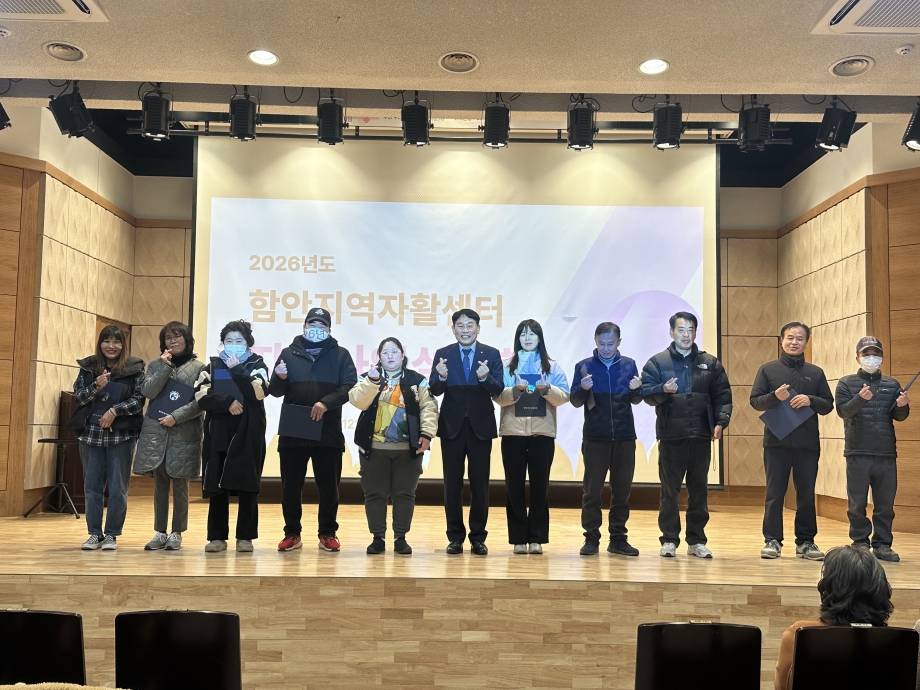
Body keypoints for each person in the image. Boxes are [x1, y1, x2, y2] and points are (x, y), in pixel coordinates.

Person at [641, 311, 732, 559]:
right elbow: (646, 394)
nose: (686, 335)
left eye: (691, 330)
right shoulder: (657, 362)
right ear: (671, 332)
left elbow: (723, 395)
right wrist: (662, 389)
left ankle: (697, 540)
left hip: (701, 436)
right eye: (681, 330)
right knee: (669, 492)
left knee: (699, 491)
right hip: (671, 436)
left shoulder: (710, 363)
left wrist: (721, 421)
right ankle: (669, 539)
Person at [270, 308, 357, 552]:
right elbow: (275, 391)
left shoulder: (341, 355)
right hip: (294, 428)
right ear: (304, 326)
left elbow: (349, 386)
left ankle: (327, 533)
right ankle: (292, 533)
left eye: (322, 325)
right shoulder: (288, 353)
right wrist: (279, 378)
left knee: (329, 487)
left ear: (329, 329)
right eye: (312, 324)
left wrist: (326, 403)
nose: (316, 329)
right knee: (290, 487)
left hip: (327, 429)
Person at [750, 322, 834, 561]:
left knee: (806, 495)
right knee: (774, 493)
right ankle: (772, 540)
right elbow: (755, 401)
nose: (794, 342)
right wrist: (774, 396)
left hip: (807, 444)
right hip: (776, 442)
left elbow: (828, 405)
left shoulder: (815, 372)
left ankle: (806, 542)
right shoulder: (768, 370)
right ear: (781, 341)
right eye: (790, 337)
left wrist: (810, 400)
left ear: (806, 342)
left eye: (799, 338)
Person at [349, 337, 439, 555]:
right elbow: (357, 401)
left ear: (402, 355)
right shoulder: (368, 377)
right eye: (385, 352)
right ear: (379, 357)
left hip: (408, 449)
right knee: (374, 494)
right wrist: (371, 382)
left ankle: (401, 537)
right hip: (373, 449)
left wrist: (427, 434)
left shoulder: (417, 380)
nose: (390, 356)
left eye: (394, 351)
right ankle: (377, 537)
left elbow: (429, 407)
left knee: (404, 494)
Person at [429, 309, 504, 556]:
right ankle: (455, 537)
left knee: (480, 485)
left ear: (478, 328)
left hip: (480, 427)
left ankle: (478, 538)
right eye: (460, 326)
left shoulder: (491, 354)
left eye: (469, 325)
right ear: (453, 329)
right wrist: (441, 377)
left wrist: (486, 378)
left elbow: (498, 389)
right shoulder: (443, 354)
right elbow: (434, 389)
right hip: (452, 427)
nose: (465, 330)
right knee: (452, 485)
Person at [194, 320, 270, 553]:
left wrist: (237, 369)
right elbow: (201, 395)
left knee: (248, 484)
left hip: (249, 430)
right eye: (229, 340)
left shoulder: (257, 364)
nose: (234, 344)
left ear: (248, 343)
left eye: (239, 340)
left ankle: (245, 537)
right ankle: (217, 536)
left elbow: (259, 391)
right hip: (219, 429)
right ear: (222, 342)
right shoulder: (212, 365)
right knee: (217, 483)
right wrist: (227, 402)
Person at [495, 320, 570, 555]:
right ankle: (518, 538)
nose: (527, 338)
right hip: (513, 433)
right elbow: (498, 397)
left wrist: (546, 388)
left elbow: (565, 396)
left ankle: (536, 538)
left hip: (542, 434)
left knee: (540, 487)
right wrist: (515, 391)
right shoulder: (507, 366)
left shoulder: (552, 367)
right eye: (523, 334)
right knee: (514, 487)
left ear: (540, 338)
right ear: (517, 338)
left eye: (532, 334)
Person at [774, 544, 893, 690]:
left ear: (828, 587)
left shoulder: (798, 634)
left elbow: (782, 687)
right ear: (881, 590)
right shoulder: (896, 640)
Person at [571, 322, 643, 557]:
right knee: (592, 491)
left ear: (619, 342)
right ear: (595, 340)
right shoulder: (584, 367)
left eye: (610, 344)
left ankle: (618, 538)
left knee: (622, 491)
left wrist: (636, 389)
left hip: (624, 437)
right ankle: (591, 537)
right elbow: (575, 401)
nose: (605, 348)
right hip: (595, 438)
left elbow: (635, 400)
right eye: (601, 343)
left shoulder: (629, 364)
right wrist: (582, 388)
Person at [836, 336, 910, 562]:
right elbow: (843, 411)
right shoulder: (846, 383)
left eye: (875, 354)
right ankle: (859, 542)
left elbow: (899, 416)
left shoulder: (892, 384)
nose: (871, 358)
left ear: (882, 358)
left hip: (886, 453)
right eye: (866, 354)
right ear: (857, 358)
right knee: (857, 503)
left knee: (885, 504)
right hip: (857, 452)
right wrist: (859, 399)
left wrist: (902, 406)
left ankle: (882, 544)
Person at [134, 321, 206, 551]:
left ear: (187, 340)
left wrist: (176, 417)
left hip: (183, 432)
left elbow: (201, 402)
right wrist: (164, 368)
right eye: (168, 337)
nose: (173, 341)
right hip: (157, 432)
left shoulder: (199, 367)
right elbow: (148, 392)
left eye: (177, 336)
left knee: (181, 484)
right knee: (160, 484)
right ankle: (160, 531)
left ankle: (177, 532)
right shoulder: (156, 365)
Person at [72, 325, 145, 550]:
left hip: (121, 435)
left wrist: (115, 411)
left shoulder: (134, 368)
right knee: (92, 487)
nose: (111, 346)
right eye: (106, 341)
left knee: (118, 487)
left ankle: (112, 534)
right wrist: (96, 386)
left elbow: (139, 400)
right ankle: (94, 533)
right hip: (91, 434)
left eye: (116, 341)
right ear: (100, 343)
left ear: (123, 345)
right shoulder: (88, 367)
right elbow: (79, 397)